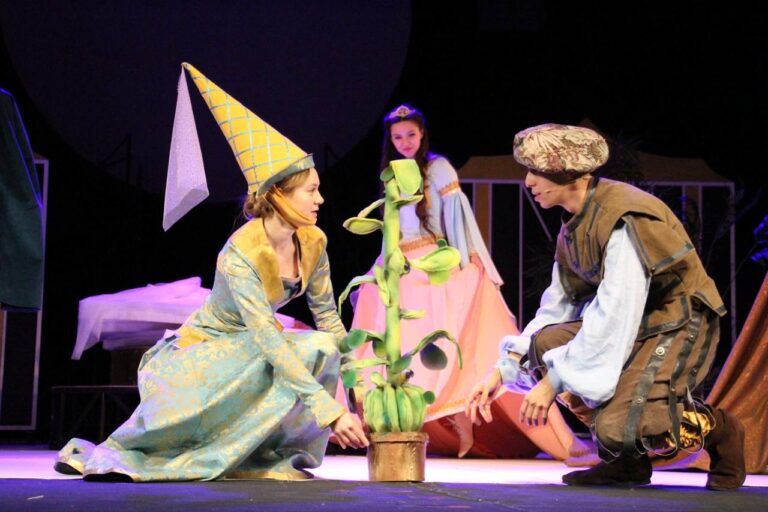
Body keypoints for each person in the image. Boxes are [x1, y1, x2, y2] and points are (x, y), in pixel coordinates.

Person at [54, 63, 367, 482]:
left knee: (323, 343)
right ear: (278, 195)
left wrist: (360, 389)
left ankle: (275, 454)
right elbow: (267, 337)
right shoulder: (240, 254)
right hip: (206, 354)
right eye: (311, 190)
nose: (321, 199)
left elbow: (327, 317)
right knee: (311, 348)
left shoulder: (313, 242)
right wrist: (330, 411)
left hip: (251, 350)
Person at [466, 123, 746, 490]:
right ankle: (623, 463)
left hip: (677, 320)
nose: (528, 182)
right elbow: (556, 308)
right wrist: (503, 370)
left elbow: (616, 311)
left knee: (636, 424)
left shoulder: (622, 216)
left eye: (537, 172)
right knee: (543, 346)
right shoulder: (573, 227)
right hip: (634, 322)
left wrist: (554, 382)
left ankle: (720, 429)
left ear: (568, 174)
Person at [349, 105, 588, 461]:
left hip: (433, 263)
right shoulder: (392, 174)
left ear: (422, 134)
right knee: (393, 348)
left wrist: (466, 259)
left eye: (411, 134)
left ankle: (473, 419)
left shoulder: (438, 167)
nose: (405, 142)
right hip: (400, 267)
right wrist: (383, 269)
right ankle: (392, 428)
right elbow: (392, 230)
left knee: (454, 344)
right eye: (398, 137)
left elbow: (456, 218)